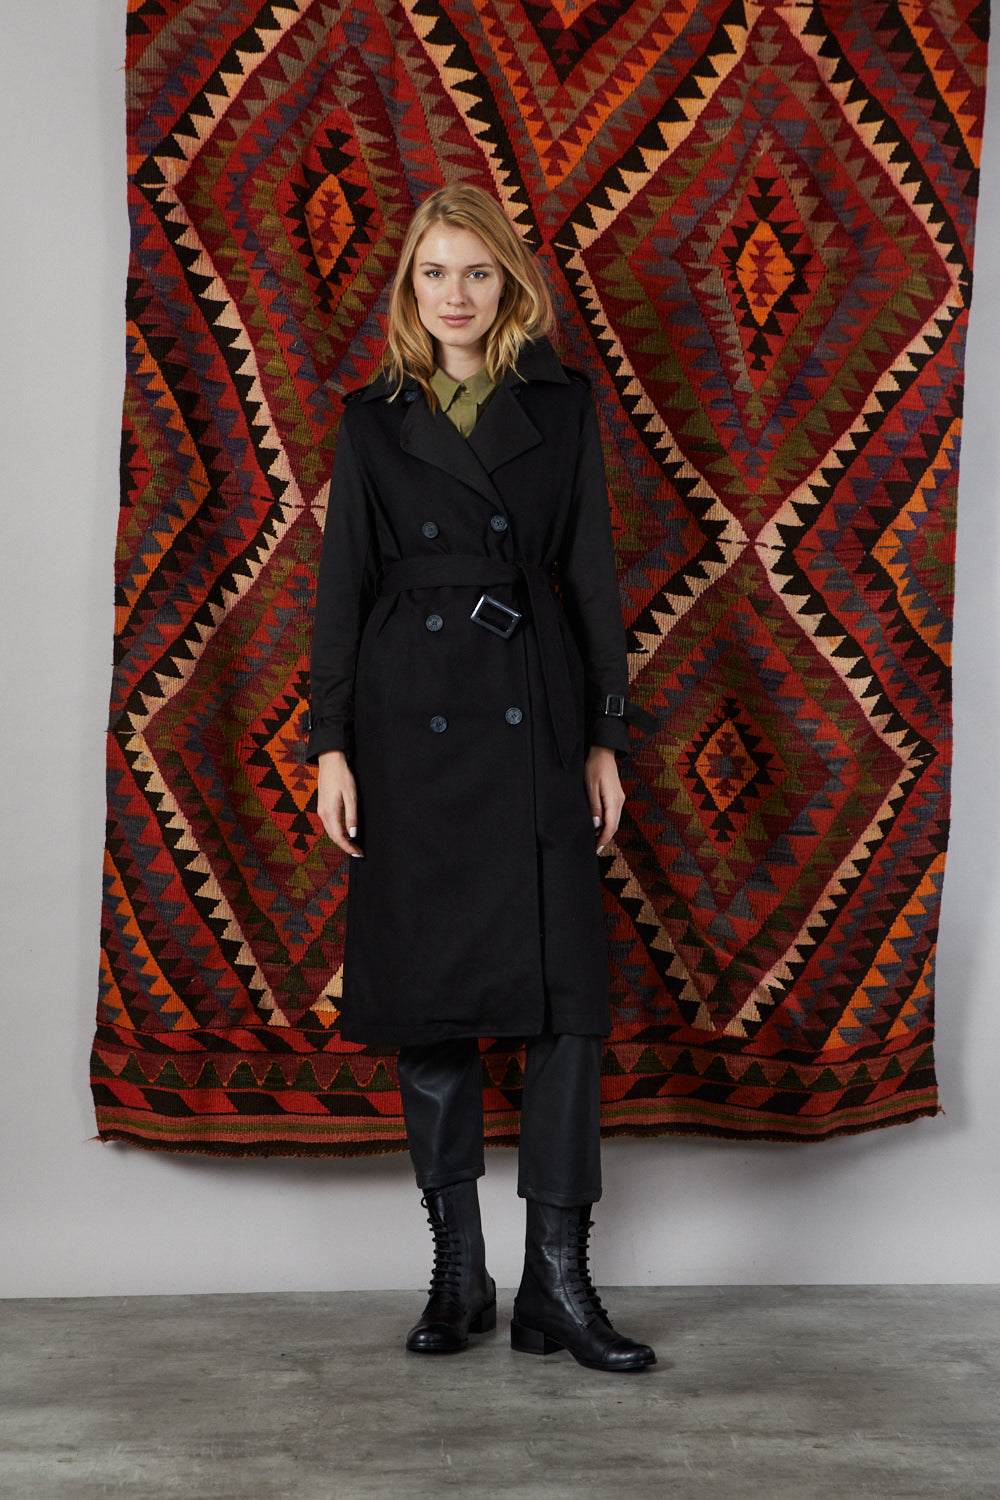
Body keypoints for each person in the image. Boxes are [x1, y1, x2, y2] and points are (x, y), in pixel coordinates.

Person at [307, 183, 655, 1373]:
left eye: (476, 272)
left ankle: (559, 1280)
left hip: (535, 710)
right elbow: (340, 590)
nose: (453, 295)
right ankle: (460, 1274)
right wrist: (331, 745)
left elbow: (594, 577)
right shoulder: (370, 421)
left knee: (564, 1003)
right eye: (433, 273)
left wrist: (605, 735)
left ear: (510, 285)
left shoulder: (562, 406)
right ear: (409, 288)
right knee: (428, 997)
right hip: (407, 724)